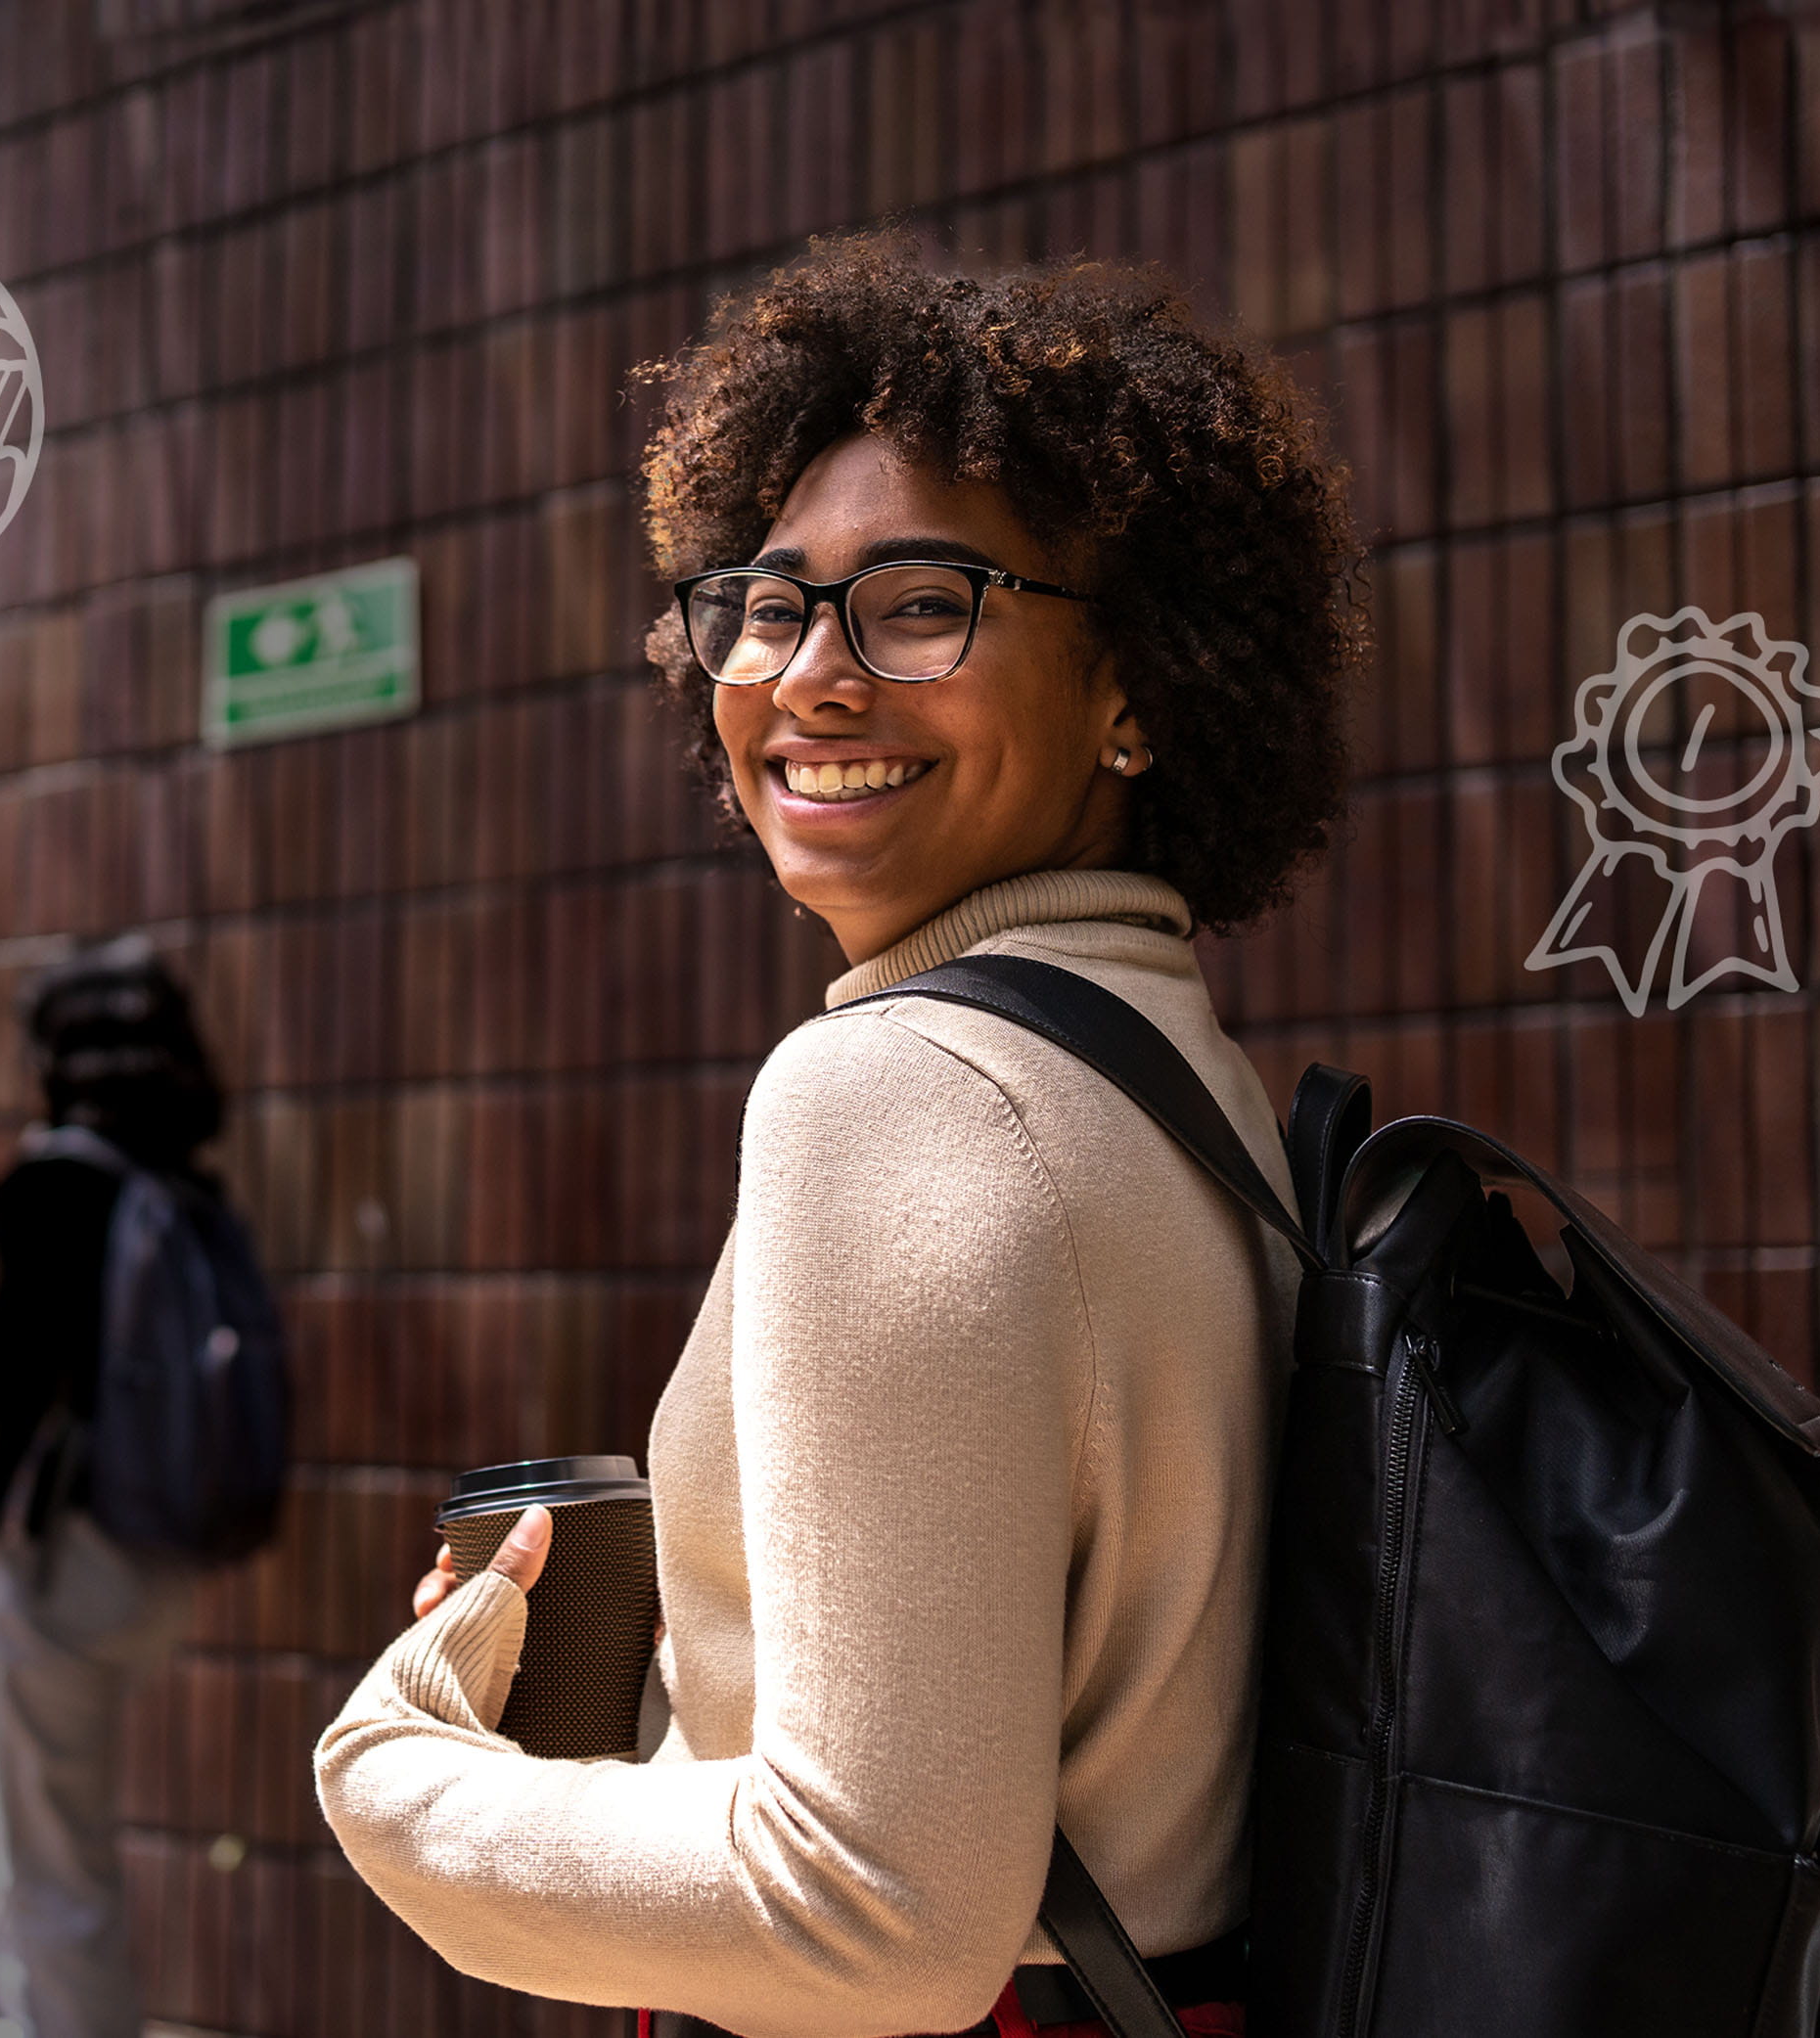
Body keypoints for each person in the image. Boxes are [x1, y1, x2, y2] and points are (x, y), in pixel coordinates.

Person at [312, 238, 1361, 2038]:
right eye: (769, 604)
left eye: (922, 604)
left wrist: (400, 1777)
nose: (810, 676)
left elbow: (878, 1908)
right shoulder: (1176, 1081)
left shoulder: (896, 1090)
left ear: (1136, 688)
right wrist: (659, 1684)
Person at [0, 935, 241, 2038]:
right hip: (156, 1556)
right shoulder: (189, 1191)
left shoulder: (51, 1188)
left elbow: (5, 1392)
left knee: (53, 1855)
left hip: (59, 1558)